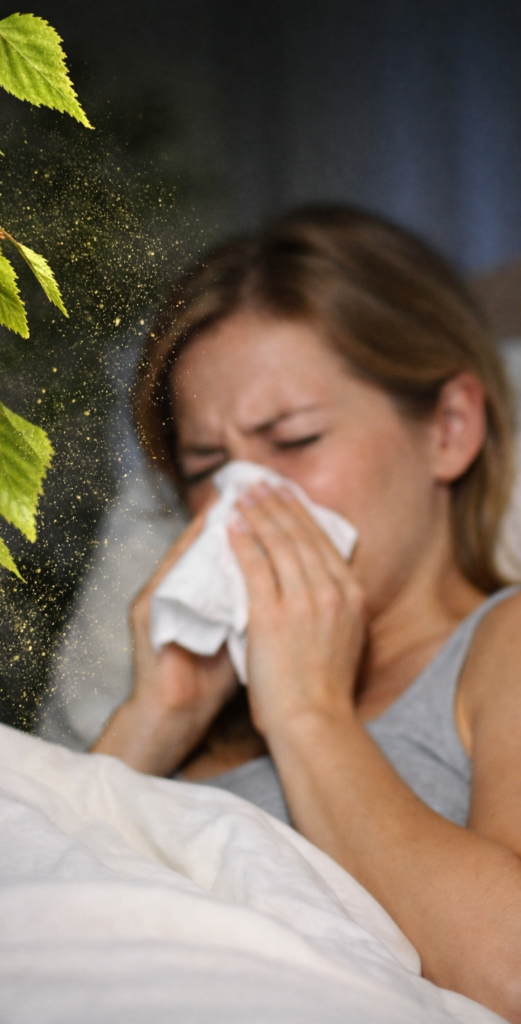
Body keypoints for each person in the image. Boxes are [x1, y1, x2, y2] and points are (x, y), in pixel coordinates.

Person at [91, 205, 521, 1021]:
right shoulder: (206, 724)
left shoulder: (502, 645)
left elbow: (511, 972)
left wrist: (307, 713)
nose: (242, 502)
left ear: (450, 430)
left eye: (291, 440)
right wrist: (156, 722)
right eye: (207, 464)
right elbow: (21, 906)